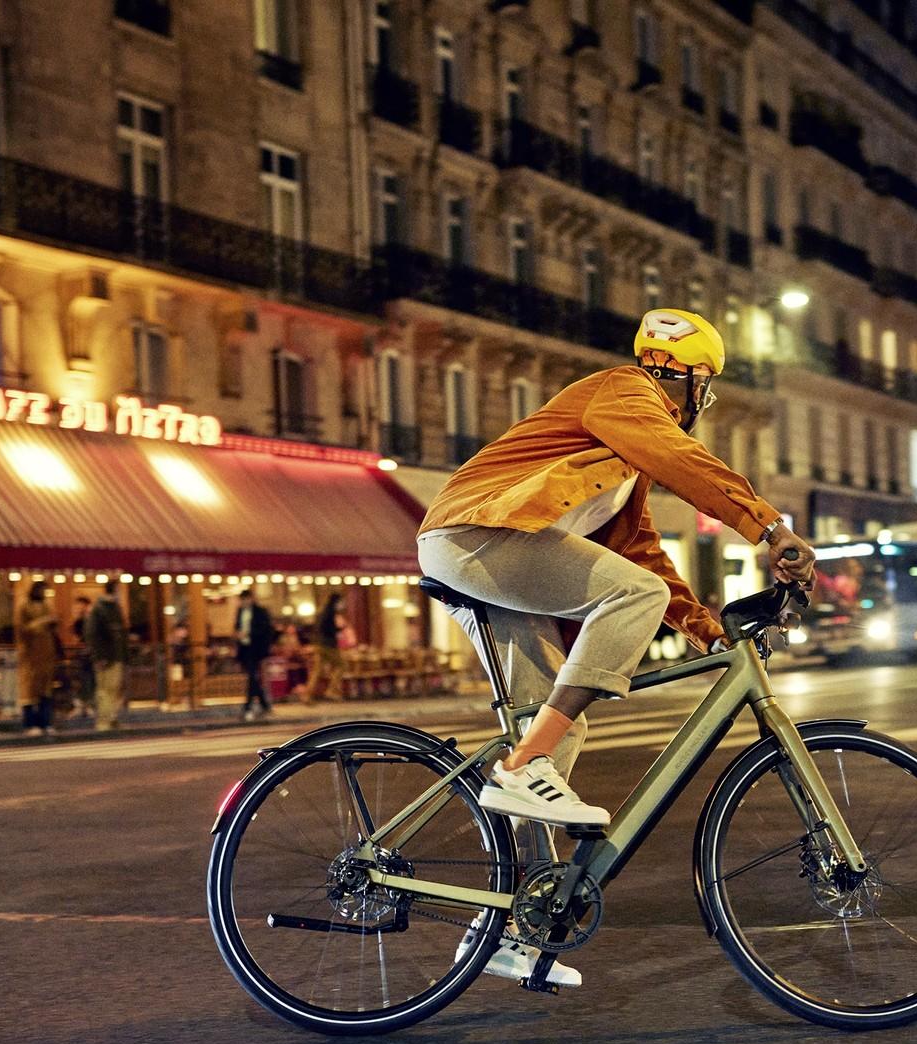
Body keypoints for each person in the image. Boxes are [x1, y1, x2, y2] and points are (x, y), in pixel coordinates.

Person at [419, 308, 813, 986]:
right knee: (631, 601)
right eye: (706, 388)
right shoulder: (625, 392)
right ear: (688, 379)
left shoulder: (623, 460)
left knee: (544, 740)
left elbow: (641, 555)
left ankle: (509, 926)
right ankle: (528, 762)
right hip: (476, 534)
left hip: (489, 547)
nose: (702, 405)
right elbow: (681, 460)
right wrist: (767, 525)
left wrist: (713, 633)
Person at [84, 583, 129, 732]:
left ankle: (111, 717)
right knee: (105, 689)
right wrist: (99, 656)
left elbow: (121, 634)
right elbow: (92, 635)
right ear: (115, 590)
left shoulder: (113, 608)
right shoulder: (100, 609)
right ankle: (104, 720)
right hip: (108, 656)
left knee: (114, 689)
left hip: (115, 656)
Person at [17, 582, 60, 736]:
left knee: (45, 691)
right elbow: (22, 630)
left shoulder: (47, 605)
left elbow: (54, 628)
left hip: (46, 655)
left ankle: (45, 722)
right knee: (29, 692)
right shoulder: (24, 606)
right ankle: (30, 724)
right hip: (30, 655)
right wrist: (42, 622)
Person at [234, 587, 276, 720]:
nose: (244, 602)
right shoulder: (240, 611)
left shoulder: (260, 612)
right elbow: (237, 626)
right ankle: (264, 704)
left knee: (252, 676)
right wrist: (238, 634)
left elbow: (265, 630)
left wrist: (249, 634)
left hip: (256, 648)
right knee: (253, 677)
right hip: (245, 648)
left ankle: (248, 706)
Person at [306, 592, 352, 703]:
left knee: (318, 670)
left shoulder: (323, 612)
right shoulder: (329, 613)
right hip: (328, 645)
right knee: (342, 665)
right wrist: (340, 629)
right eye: (341, 602)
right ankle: (331, 690)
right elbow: (327, 629)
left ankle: (308, 695)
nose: (343, 604)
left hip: (320, 644)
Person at [68, 594, 96, 720]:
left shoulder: (90, 621)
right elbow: (76, 639)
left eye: (81, 605)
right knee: (82, 680)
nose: (79, 608)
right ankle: (83, 705)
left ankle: (87, 705)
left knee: (88, 680)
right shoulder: (78, 622)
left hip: (89, 656)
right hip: (82, 656)